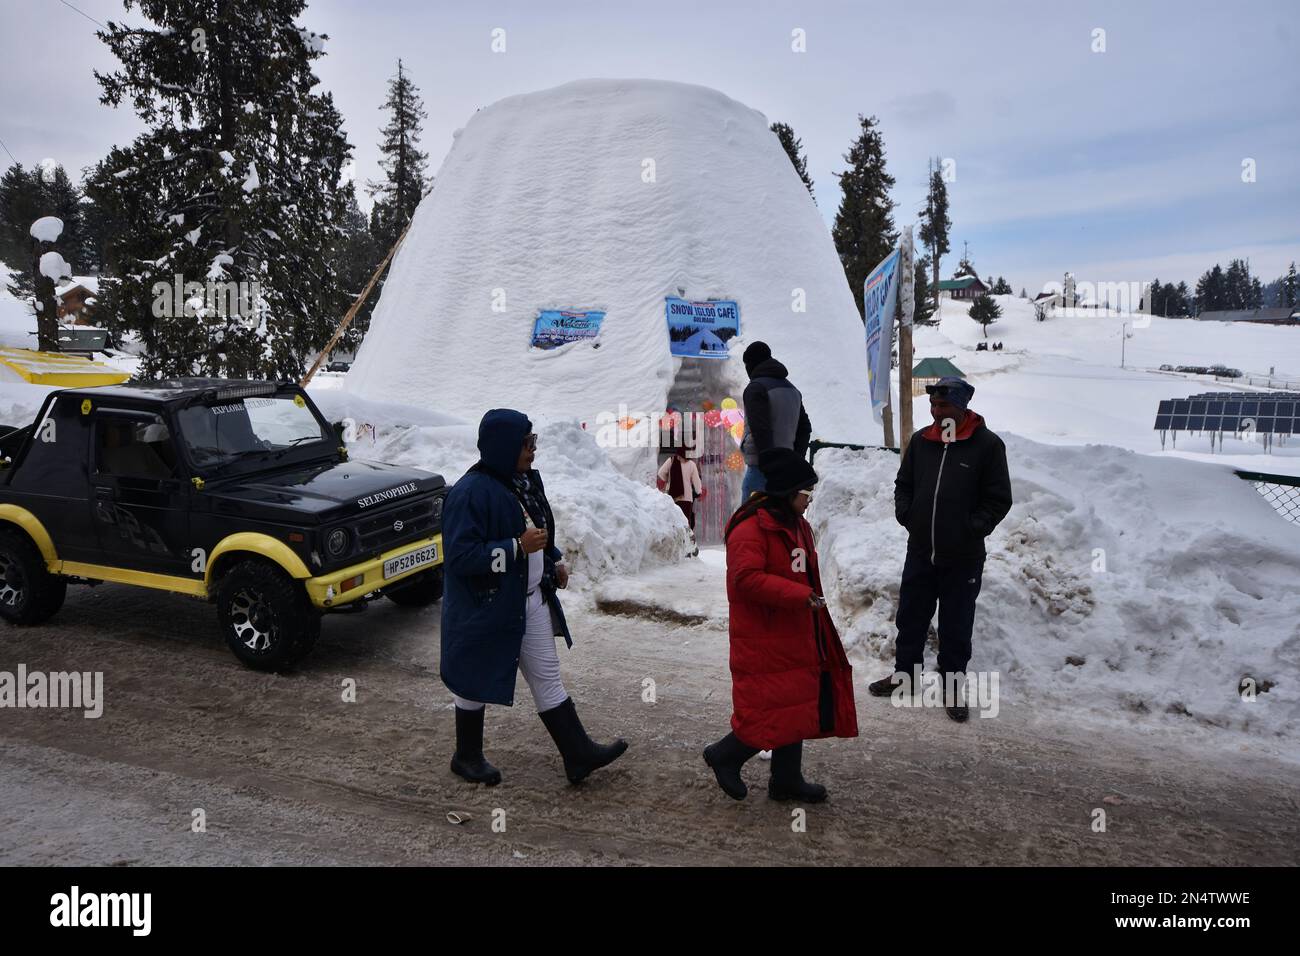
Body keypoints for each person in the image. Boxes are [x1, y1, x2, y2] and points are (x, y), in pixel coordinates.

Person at [440, 409, 628, 786]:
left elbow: (536, 529)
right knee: (473, 679)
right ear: (505, 446)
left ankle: (578, 755)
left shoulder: (520, 482)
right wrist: (516, 548)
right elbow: (460, 558)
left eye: (534, 442)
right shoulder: (469, 494)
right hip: (488, 605)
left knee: (547, 677)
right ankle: (467, 756)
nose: (533, 451)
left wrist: (551, 559)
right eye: (527, 444)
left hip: (530, 600)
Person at [703, 449, 858, 801]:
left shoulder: (795, 524)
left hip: (796, 630)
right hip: (765, 633)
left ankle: (786, 779)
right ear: (788, 492)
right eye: (806, 495)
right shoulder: (752, 527)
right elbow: (745, 579)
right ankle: (724, 755)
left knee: (796, 703)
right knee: (768, 706)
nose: (808, 502)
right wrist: (798, 596)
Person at [869, 377, 1012, 721]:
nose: (937, 412)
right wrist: (907, 514)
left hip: (962, 557)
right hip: (920, 550)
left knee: (956, 626)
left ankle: (952, 689)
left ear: (962, 407)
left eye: (944, 406)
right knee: (911, 618)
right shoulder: (922, 442)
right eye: (933, 406)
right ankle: (906, 679)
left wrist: (972, 528)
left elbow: (998, 499)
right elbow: (903, 484)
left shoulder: (987, 446)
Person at [739, 341, 812, 503]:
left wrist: (769, 463)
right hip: (786, 472)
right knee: (779, 520)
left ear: (751, 364)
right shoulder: (793, 390)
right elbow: (805, 428)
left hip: (761, 470)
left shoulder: (756, 388)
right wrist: (794, 459)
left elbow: (760, 428)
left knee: (749, 521)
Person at [656, 446, 705, 530]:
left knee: (674, 521)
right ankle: (685, 539)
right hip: (687, 498)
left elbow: (661, 473)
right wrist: (699, 491)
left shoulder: (671, 460)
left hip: (673, 497)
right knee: (685, 521)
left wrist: (668, 480)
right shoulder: (691, 464)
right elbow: (696, 481)